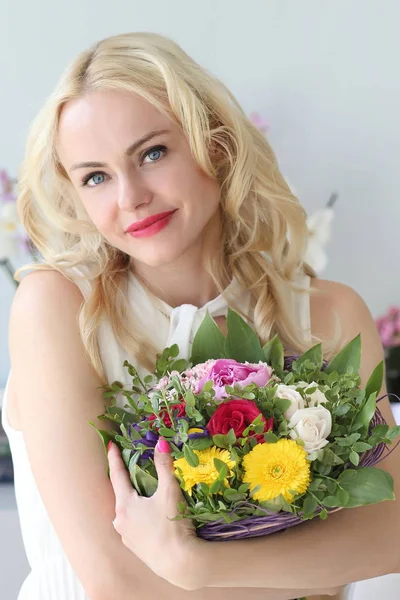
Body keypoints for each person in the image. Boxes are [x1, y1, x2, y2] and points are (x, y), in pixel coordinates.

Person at [2, 31, 398, 600]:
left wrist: (198, 569)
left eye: (152, 153)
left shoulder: (328, 315)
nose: (131, 196)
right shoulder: (57, 309)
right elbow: (115, 583)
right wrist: (308, 567)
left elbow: (388, 533)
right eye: (96, 176)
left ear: (215, 143)